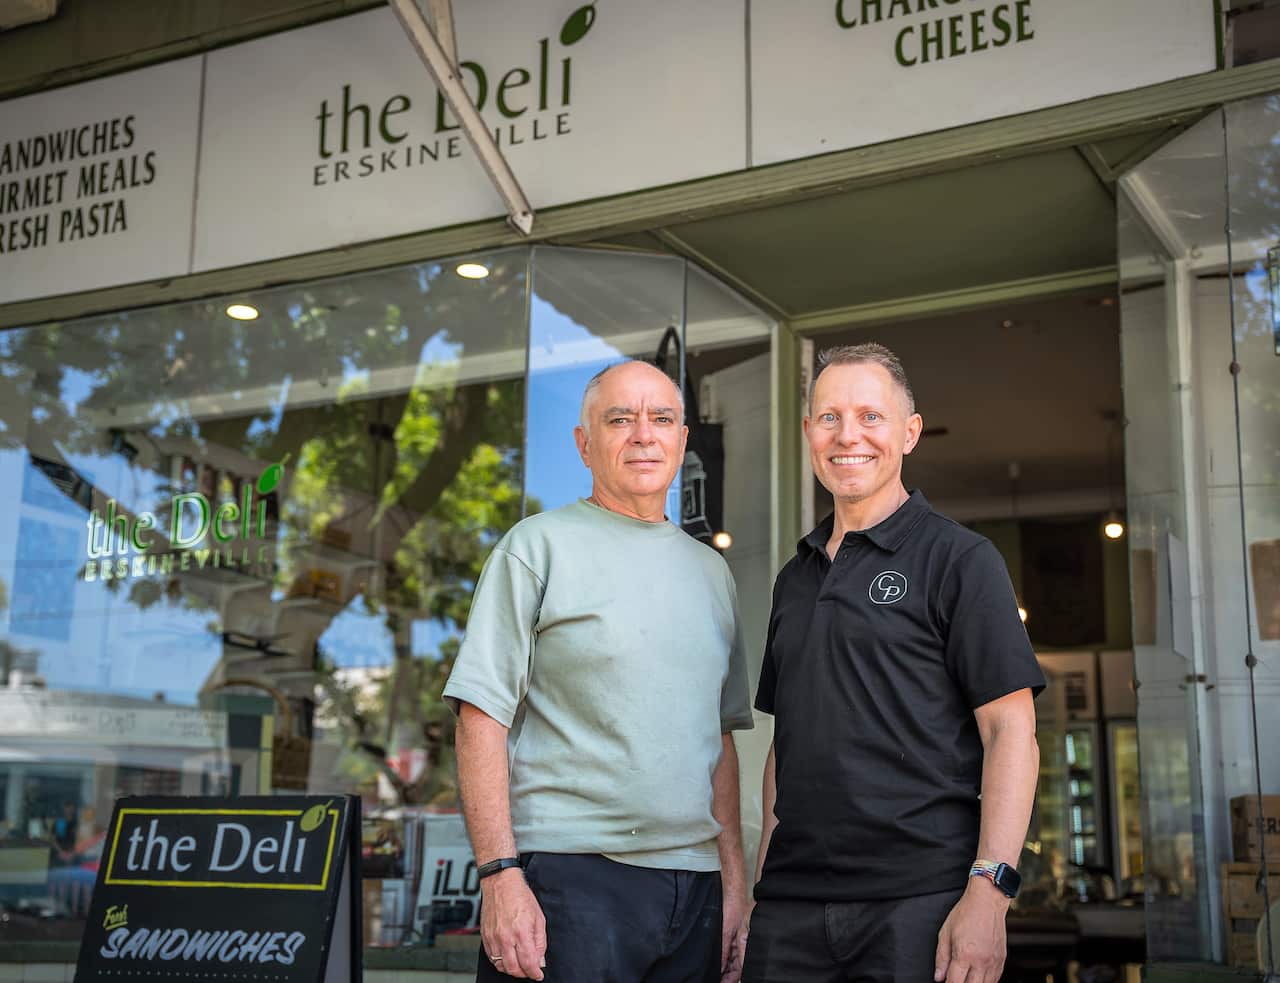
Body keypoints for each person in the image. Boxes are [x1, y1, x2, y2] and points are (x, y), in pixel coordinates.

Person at [443, 359, 754, 982]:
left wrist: (735, 887)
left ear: (683, 440)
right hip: (568, 880)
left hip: (693, 885)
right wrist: (501, 876)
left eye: (661, 418)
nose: (644, 434)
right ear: (585, 444)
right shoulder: (535, 548)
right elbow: (481, 718)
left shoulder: (712, 572)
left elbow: (717, 741)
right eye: (620, 419)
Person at [742, 344, 1045, 983]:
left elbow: (1010, 730)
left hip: (921, 904)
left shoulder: (961, 560)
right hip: (789, 910)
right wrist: (758, 891)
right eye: (829, 417)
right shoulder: (793, 580)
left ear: (909, 433)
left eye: (870, 417)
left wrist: (990, 895)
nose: (847, 435)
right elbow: (785, 748)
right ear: (807, 432)